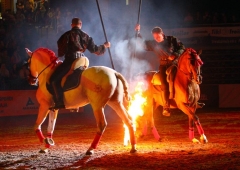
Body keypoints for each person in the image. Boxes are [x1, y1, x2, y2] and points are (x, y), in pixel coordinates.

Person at [50, 17, 110, 109]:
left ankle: (59, 102)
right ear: (80, 24)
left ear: (71, 25)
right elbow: (95, 50)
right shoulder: (86, 36)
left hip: (70, 61)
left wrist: (62, 53)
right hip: (81, 61)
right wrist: (104, 46)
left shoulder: (66, 35)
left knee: (54, 80)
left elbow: (61, 51)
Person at [135, 24, 185, 116]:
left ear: (163, 34)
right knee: (164, 84)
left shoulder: (172, 39)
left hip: (175, 64)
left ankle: (192, 99)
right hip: (163, 66)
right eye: (155, 37)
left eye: (158, 36)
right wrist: (138, 32)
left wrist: (175, 54)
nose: (157, 39)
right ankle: (166, 107)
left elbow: (182, 48)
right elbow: (142, 44)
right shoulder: (153, 44)